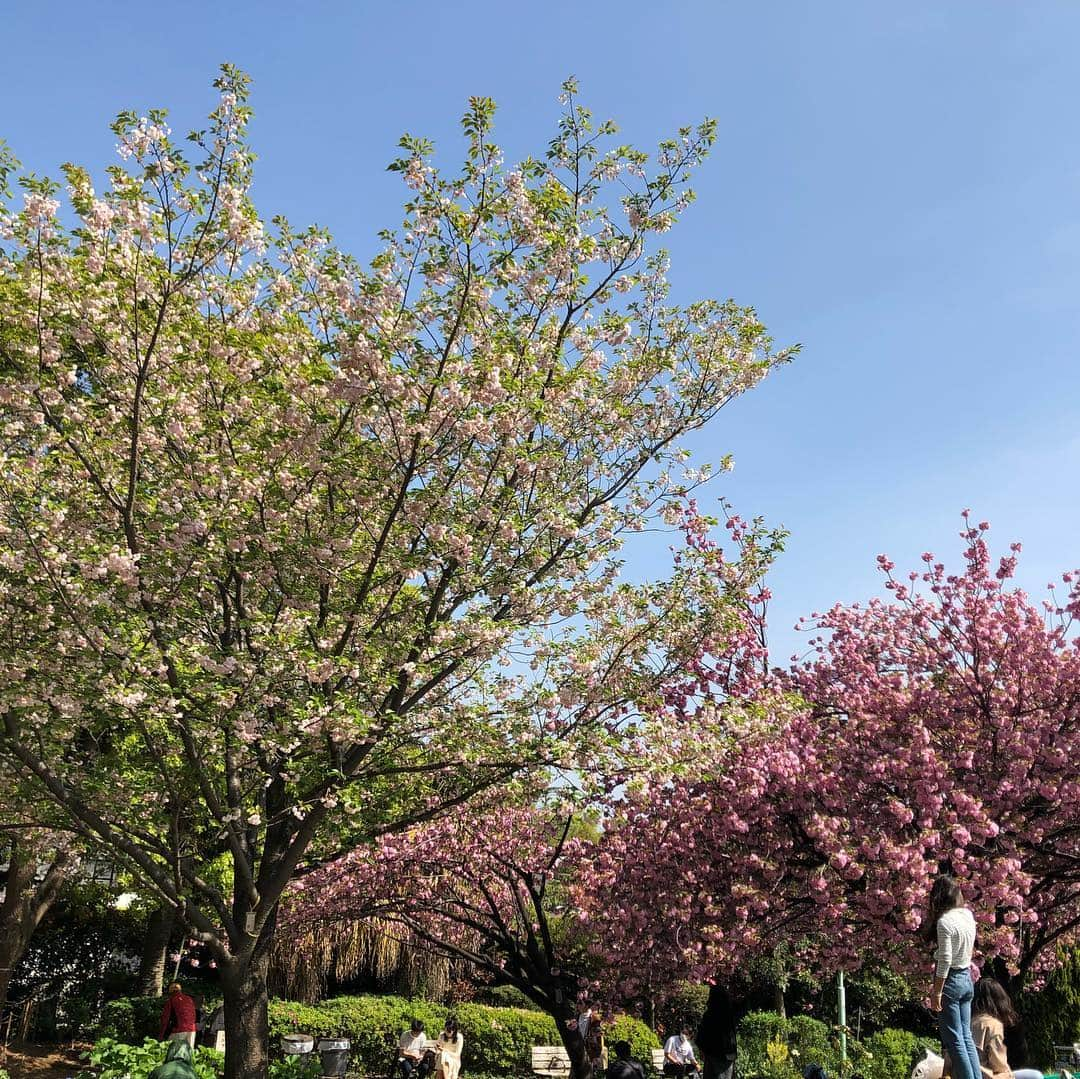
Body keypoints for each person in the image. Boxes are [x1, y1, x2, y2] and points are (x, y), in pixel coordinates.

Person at [924, 875, 980, 1079]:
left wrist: (937, 992)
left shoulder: (944, 922)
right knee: (966, 1037)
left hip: (951, 981)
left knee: (954, 1040)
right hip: (966, 979)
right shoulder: (967, 915)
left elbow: (946, 958)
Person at [970, 976, 1043, 1079]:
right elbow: (999, 1065)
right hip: (986, 1075)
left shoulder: (966, 1023)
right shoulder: (992, 1025)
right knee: (1036, 1076)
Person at [696, 983, 739, 1079]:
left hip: (712, 1054)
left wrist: (702, 1050)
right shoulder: (729, 1014)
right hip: (726, 1055)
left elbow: (702, 1034)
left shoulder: (709, 1015)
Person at [159, 982, 197, 1048]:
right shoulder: (189, 999)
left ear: (170, 991)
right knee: (189, 1054)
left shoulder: (171, 1001)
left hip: (178, 1030)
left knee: (172, 1052)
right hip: (192, 1030)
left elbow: (165, 1019)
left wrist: (161, 1035)